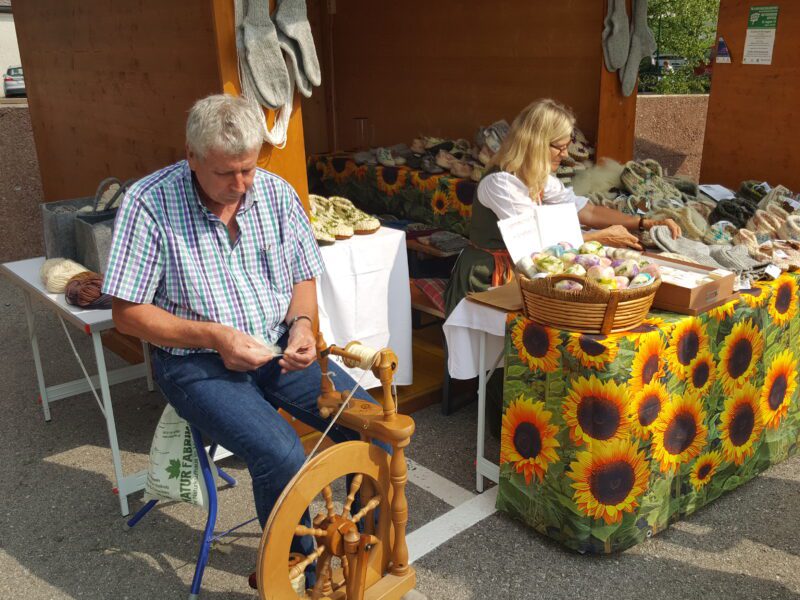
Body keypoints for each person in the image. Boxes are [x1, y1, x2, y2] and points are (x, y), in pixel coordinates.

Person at [102, 94, 373, 589]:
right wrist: (215, 335)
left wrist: (303, 327)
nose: (241, 185)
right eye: (226, 173)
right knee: (281, 452)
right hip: (195, 363)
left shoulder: (274, 193)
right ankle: (297, 567)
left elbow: (303, 278)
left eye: (248, 168)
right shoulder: (148, 203)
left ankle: (360, 542)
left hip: (276, 347)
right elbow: (127, 313)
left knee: (371, 422)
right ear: (191, 156)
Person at [443, 98, 681, 315]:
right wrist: (600, 238)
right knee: (486, 359)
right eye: (560, 146)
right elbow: (533, 242)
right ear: (536, 143)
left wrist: (643, 222)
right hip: (486, 279)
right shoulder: (501, 183)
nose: (565, 154)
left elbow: (586, 211)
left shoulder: (539, 178)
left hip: (517, 277)